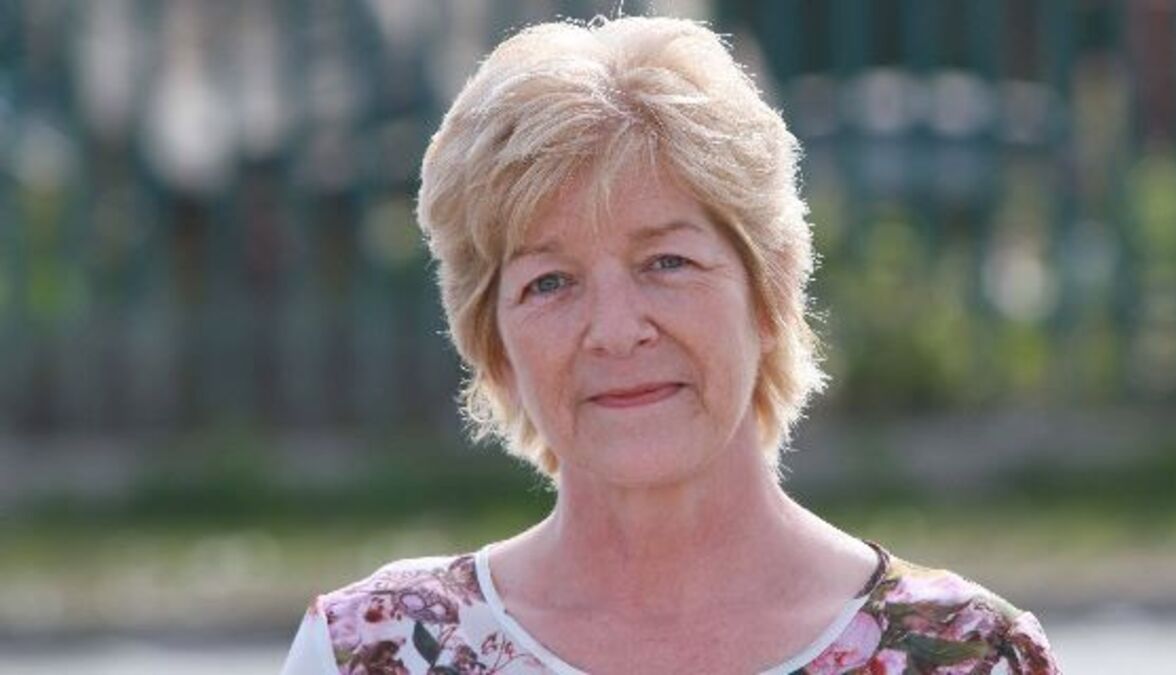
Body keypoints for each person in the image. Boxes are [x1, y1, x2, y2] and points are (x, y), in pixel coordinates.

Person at [282, 16, 1060, 675]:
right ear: (493, 344)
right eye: (550, 282)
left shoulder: (970, 656)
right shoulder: (370, 653)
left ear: (770, 289)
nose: (617, 330)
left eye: (667, 262)